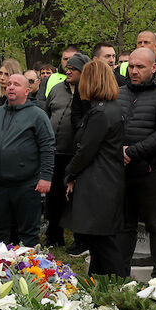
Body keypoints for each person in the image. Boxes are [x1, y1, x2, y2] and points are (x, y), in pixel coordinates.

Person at [117, 48, 156, 278]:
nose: (134, 71)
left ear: (154, 68)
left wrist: (131, 152)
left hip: (151, 171)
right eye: (131, 66)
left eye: (140, 67)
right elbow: (108, 127)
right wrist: (117, 151)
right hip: (122, 171)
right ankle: (119, 278)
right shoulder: (118, 93)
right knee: (124, 226)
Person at [0, 74, 55, 247]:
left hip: (26, 184)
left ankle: (28, 262)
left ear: (27, 91)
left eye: (16, 84)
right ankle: (1, 262)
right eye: (9, 84)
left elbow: (47, 147)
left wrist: (46, 177)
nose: (10, 87)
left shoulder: (37, 115)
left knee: (28, 235)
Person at [63, 60, 126, 276]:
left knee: (104, 241)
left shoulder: (100, 113)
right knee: (99, 241)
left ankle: (117, 285)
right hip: (106, 179)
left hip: (99, 182)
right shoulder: (110, 108)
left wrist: (70, 173)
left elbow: (86, 150)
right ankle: (99, 284)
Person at [39, 52, 89, 250]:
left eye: (73, 69)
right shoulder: (56, 89)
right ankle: (53, 236)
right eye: (67, 68)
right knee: (53, 197)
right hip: (54, 153)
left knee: (77, 199)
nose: (68, 71)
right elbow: (47, 114)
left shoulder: (88, 92)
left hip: (76, 155)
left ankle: (81, 239)